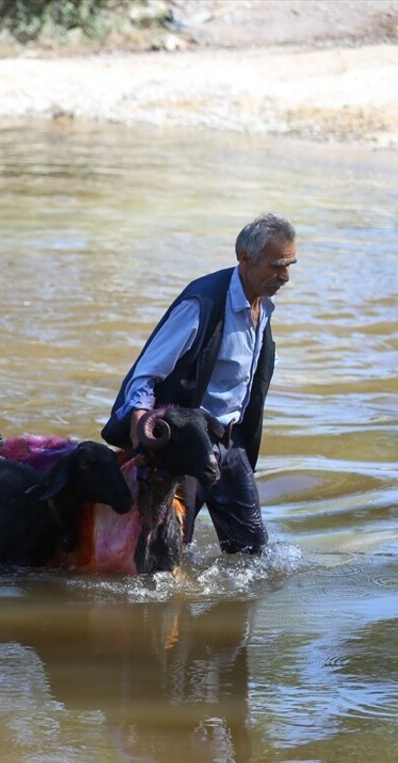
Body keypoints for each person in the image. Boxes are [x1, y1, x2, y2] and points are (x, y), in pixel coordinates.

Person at [101, 213, 297, 554]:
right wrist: (139, 424)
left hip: (231, 446)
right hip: (187, 447)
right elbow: (146, 373)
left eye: (290, 265)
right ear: (245, 258)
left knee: (253, 555)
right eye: (277, 265)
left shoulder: (263, 307)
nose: (285, 276)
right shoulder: (201, 303)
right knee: (165, 559)